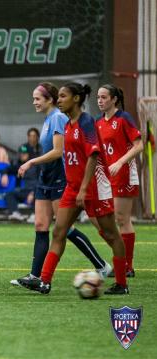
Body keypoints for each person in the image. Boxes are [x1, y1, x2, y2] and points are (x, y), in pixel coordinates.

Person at [19, 83, 129, 295]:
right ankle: (45, 281)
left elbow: (93, 155)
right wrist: (75, 187)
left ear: (76, 99)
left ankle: (122, 283)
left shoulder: (86, 122)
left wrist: (84, 189)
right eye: (58, 96)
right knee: (59, 232)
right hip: (72, 187)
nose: (58, 100)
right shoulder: (68, 124)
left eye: (63, 96)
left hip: (94, 187)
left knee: (111, 233)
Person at [95, 84, 143, 277]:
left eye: (104, 97)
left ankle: (127, 266)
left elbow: (139, 145)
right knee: (102, 221)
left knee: (122, 220)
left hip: (124, 174)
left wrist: (120, 162)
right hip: (105, 177)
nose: (100, 100)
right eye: (98, 97)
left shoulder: (124, 118)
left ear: (114, 99)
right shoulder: (98, 122)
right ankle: (121, 259)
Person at [6, 128, 41, 221]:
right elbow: (9, 169)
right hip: (25, 190)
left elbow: (41, 180)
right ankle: (16, 213)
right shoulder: (20, 165)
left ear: (29, 155)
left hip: (35, 190)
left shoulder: (36, 165)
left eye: (24, 154)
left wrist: (32, 192)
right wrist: (4, 174)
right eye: (21, 154)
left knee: (38, 193)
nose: (22, 155)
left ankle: (35, 215)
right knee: (10, 194)